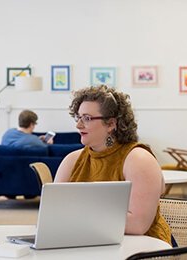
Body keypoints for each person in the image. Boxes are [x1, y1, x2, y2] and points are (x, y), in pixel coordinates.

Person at [54, 85, 173, 245]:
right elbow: (53, 215)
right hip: (89, 242)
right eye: (78, 117)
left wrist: (76, 218)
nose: (78, 125)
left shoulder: (139, 159)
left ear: (111, 124)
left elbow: (138, 225)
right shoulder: (72, 160)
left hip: (143, 247)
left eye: (87, 118)